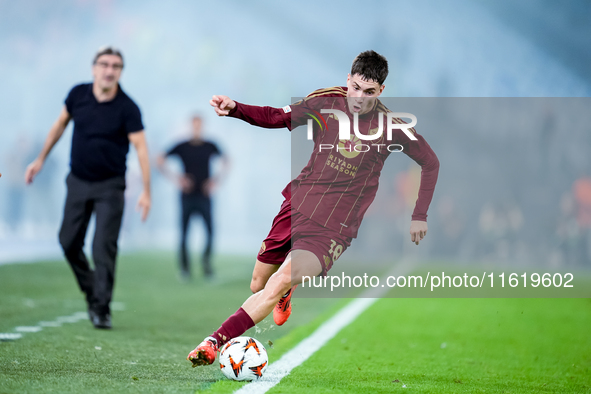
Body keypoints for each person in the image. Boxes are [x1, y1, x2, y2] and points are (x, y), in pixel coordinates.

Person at [187, 50, 439, 366]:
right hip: (298, 206)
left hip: (333, 228)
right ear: (348, 79)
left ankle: (214, 343)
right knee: (259, 283)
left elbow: (430, 162)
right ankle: (285, 292)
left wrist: (420, 214)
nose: (360, 98)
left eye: (370, 92)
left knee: (281, 278)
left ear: (382, 91)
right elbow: (276, 117)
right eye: (356, 87)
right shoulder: (325, 102)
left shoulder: (391, 127)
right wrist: (236, 108)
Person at [25, 46, 151, 329]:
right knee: (68, 242)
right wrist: (40, 159)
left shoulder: (127, 107)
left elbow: (141, 148)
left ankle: (101, 308)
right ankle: (93, 289)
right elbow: (59, 125)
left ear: (120, 72)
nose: (109, 70)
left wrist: (146, 191)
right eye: (104, 64)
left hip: (111, 186)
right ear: (94, 68)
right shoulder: (77, 95)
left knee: (102, 248)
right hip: (79, 181)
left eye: (116, 66)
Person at [157, 116, 228, 280]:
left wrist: (215, 181)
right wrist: (177, 179)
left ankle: (207, 265)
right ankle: (185, 269)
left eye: (199, 126)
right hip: (187, 196)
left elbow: (227, 160)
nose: (197, 129)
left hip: (204, 195)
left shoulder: (210, 145)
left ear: (202, 127)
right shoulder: (182, 146)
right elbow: (159, 159)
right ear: (190, 126)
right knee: (184, 233)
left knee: (210, 232)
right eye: (194, 126)